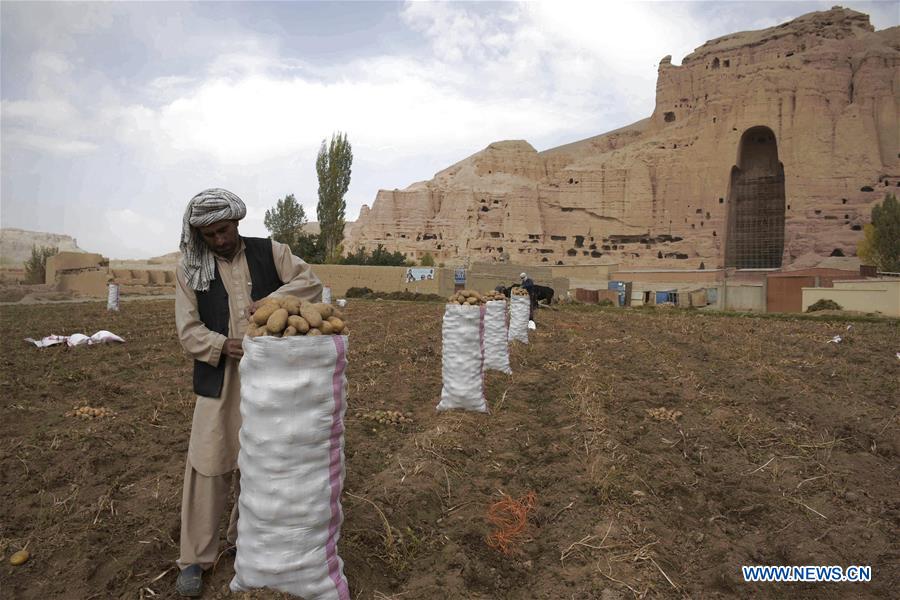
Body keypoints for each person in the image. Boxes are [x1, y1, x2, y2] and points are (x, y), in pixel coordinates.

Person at [174, 188, 322, 597]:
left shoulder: (271, 252)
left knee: (262, 461)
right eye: (209, 235)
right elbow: (188, 330)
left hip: (273, 378)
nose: (219, 240)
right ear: (199, 235)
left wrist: (272, 303)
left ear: (237, 222)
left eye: (224, 230)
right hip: (221, 377)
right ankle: (195, 559)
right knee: (209, 462)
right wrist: (224, 345)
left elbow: (310, 282)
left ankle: (246, 540)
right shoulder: (190, 269)